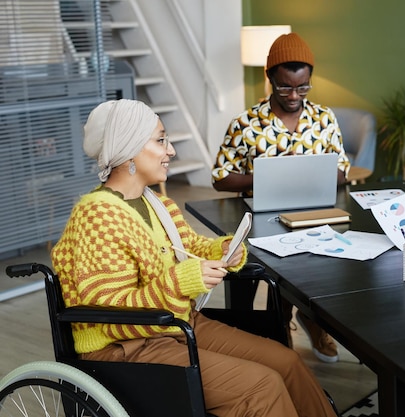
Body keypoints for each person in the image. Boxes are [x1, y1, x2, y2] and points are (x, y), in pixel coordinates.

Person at [50, 99, 339, 417]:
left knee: (287, 361)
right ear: (128, 149)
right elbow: (107, 305)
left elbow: (189, 246)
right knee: (262, 387)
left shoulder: (156, 202)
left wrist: (223, 251)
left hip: (175, 326)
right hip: (125, 347)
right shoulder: (97, 215)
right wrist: (182, 280)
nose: (170, 150)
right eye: (161, 140)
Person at [212, 33, 350, 363]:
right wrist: (265, 178)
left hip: (312, 215)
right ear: (270, 78)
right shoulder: (246, 124)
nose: (293, 96)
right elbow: (219, 178)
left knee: (329, 265)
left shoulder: (324, 118)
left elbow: (343, 171)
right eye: (285, 87)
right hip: (260, 219)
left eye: (303, 88)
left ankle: (310, 319)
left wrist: (307, 174)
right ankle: (276, 326)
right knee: (269, 267)